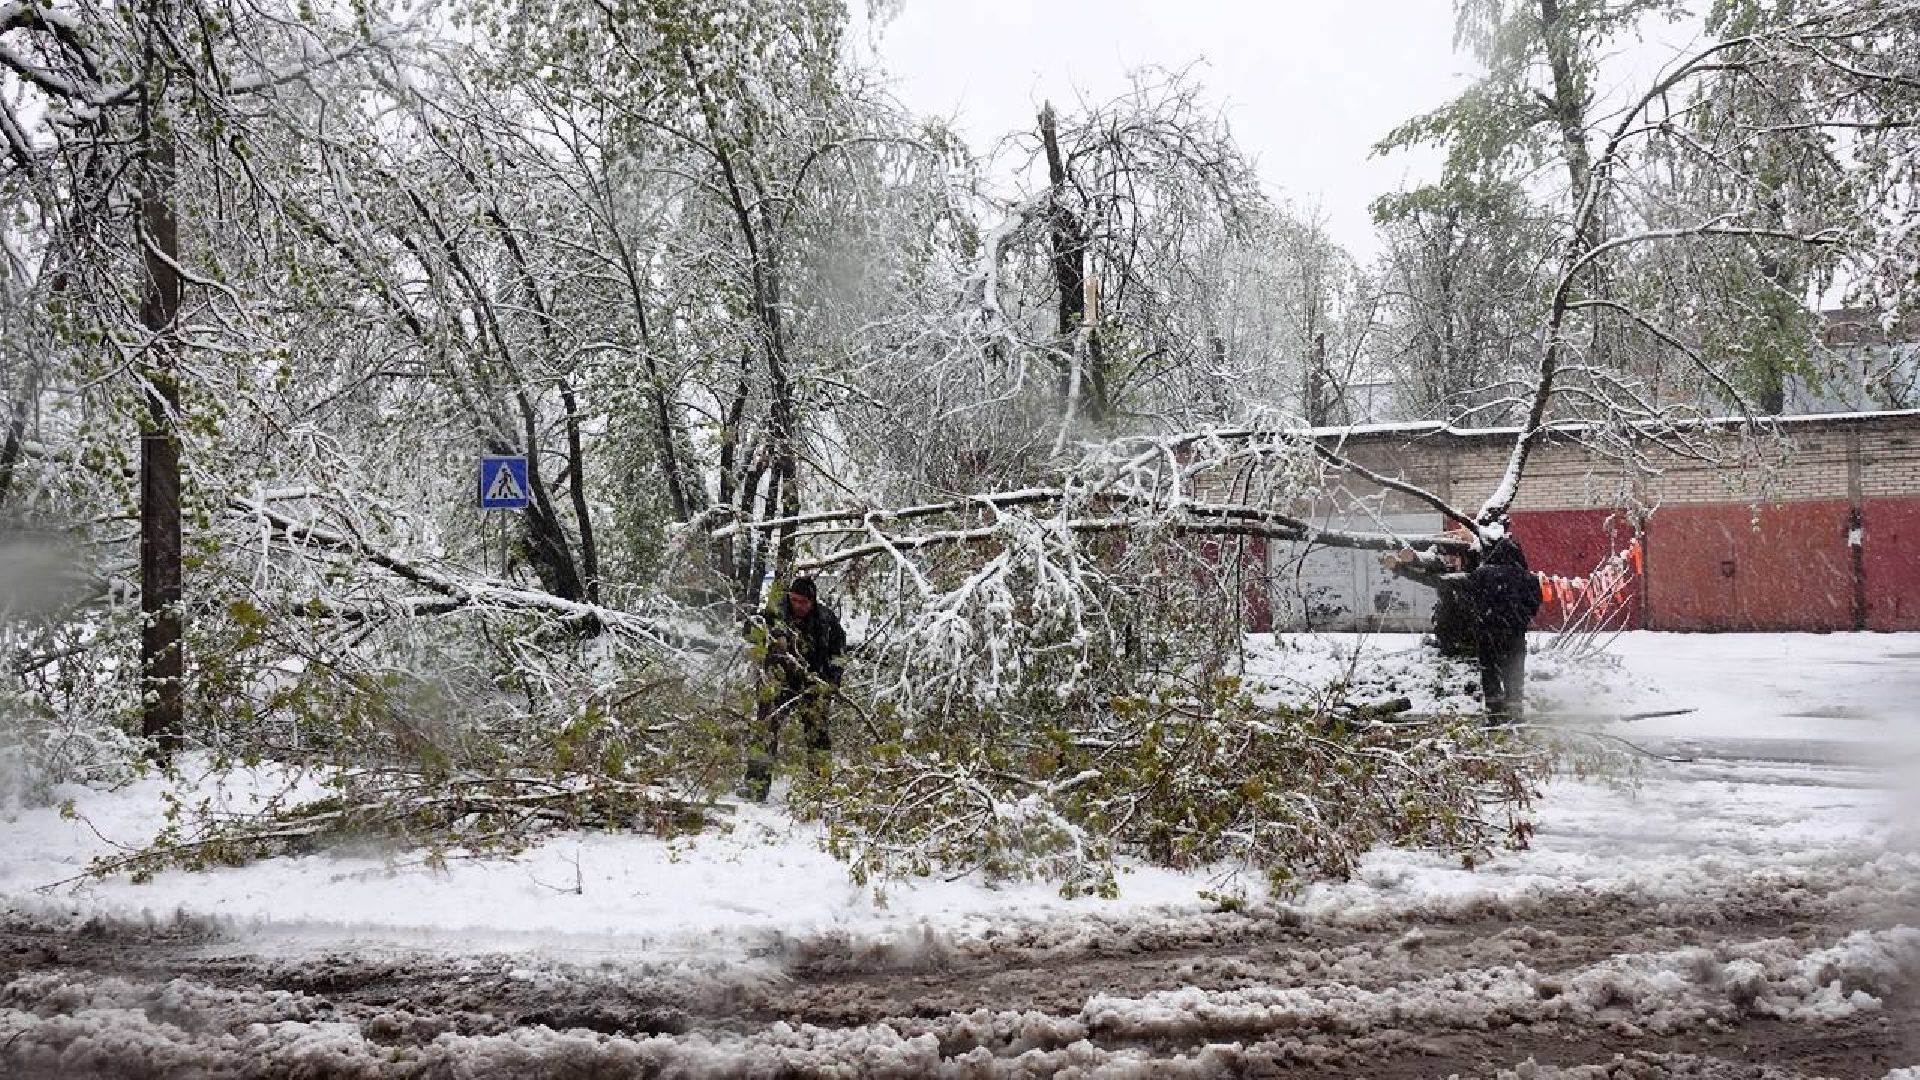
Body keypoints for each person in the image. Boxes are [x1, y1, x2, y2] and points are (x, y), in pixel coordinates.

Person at [1383, 526, 1541, 723]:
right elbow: (1534, 605)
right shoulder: (1529, 579)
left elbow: (1462, 591)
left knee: (1490, 672)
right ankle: (1515, 713)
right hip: (1515, 635)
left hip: (1488, 633)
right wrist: (1518, 621)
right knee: (1514, 672)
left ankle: (1494, 714)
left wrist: (1481, 617)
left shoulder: (1481, 575)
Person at [741, 576, 846, 801]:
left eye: (804, 602)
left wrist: (833, 681)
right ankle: (755, 787)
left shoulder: (826, 619)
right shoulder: (774, 612)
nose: (798, 606)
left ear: (812, 602)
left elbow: (839, 654)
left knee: (818, 738)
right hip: (779, 683)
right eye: (795, 600)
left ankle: (820, 792)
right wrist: (773, 634)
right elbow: (749, 629)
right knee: (765, 731)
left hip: (814, 684)